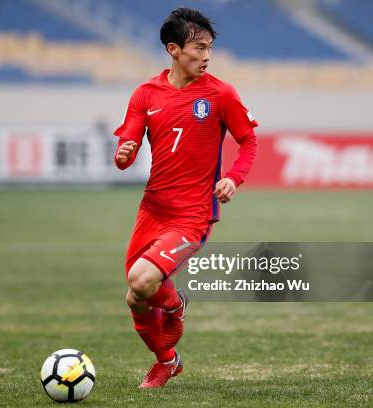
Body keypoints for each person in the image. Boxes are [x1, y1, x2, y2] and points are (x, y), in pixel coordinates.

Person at [113, 7, 258, 388]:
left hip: (192, 214)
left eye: (210, 48)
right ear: (174, 49)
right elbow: (125, 151)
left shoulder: (221, 94)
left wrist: (233, 179)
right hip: (152, 209)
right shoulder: (145, 94)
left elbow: (248, 141)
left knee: (141, 280)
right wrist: (124, 154)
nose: (207, 56)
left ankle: (174, 305)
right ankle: (167, 360)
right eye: (199, 48)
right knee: (135, 297)